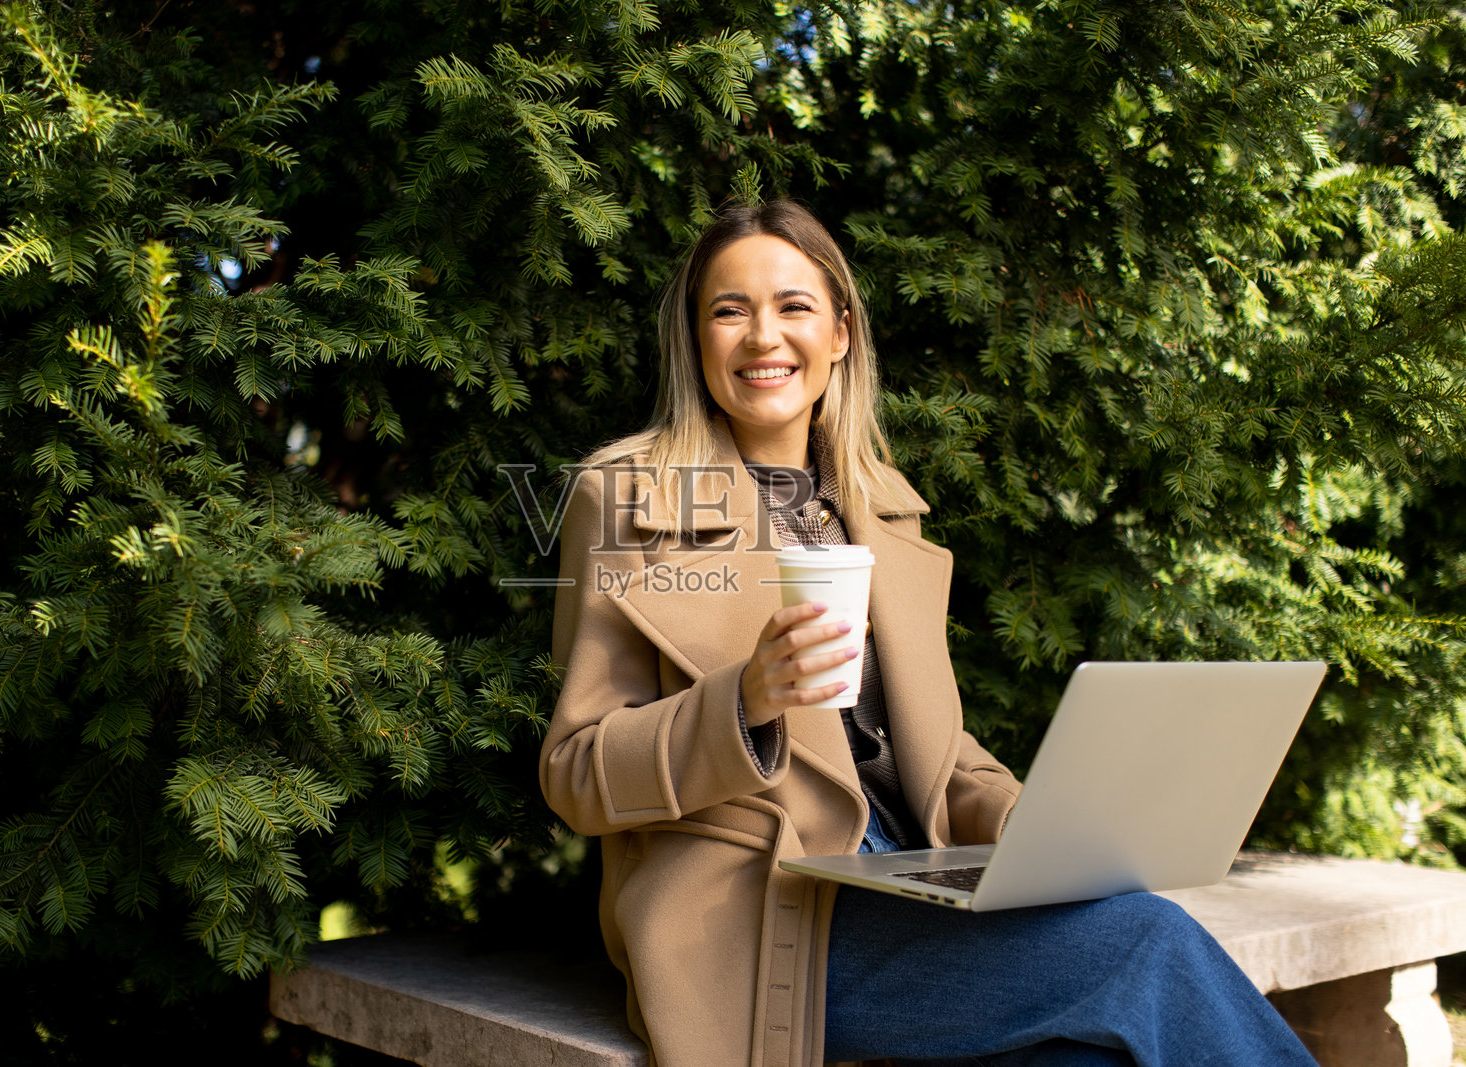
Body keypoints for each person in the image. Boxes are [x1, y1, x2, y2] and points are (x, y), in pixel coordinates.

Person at [538, 200, 1317, 1067]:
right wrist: (742, 702)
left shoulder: (882, 508)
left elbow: (933, 756)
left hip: (911, 881)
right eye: (730, 309)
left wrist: (1042, 828)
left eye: (794, 306)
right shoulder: (628, 501)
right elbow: (575, 775)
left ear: (840, 333)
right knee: (1146, 941)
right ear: (695, 338)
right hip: (761, 918)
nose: (763, 335)